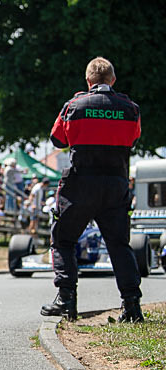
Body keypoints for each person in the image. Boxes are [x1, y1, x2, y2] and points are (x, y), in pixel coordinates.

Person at [41, 57, 143, 322]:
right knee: (119, 245)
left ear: (88, 81)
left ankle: (66, 299)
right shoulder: (130, 109)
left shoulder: (73, 106)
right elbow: (133, 138)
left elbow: (57, 138)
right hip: (115, 185)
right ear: (113, 80)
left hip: (79, 184)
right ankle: (132, 306)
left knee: (63, 240)